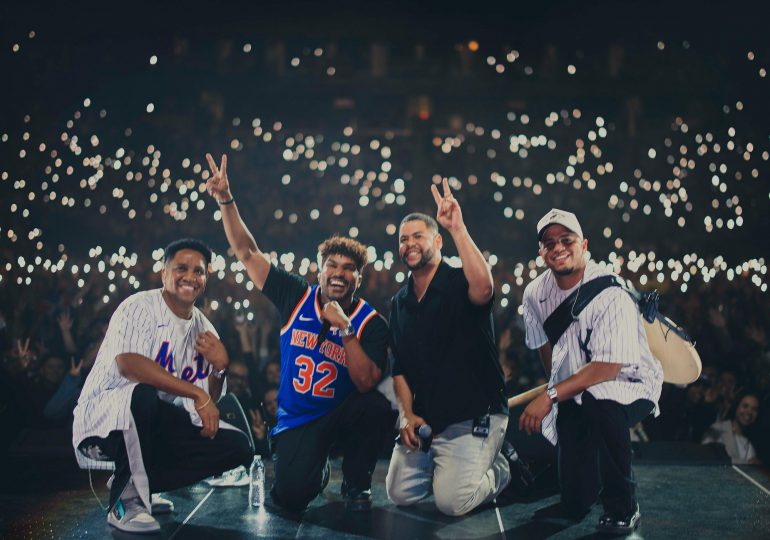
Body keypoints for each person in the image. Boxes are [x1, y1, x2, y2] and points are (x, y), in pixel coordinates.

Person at [205, 153, 393, 512]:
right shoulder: (296, 295)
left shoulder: (372, 322)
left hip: (341, 412)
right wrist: (226, 200)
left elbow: (368, 382)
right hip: (299, 419)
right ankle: (315, 469)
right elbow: (246, 252)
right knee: (291, 497)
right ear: (319, 272)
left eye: (349, 268)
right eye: (331, 266)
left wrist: (346, 331)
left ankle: (355, 483)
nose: (339, 273)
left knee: (376, 407)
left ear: (360, 277)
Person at [71, 239, 253, 534]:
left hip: (153, 429)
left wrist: (220, 368)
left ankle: (144, 484)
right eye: (182, 268)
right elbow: (128, 365)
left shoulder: (205, 330)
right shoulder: (138, 307)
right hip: (104, 421)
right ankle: (125, 501)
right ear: (164, 273)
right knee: (141, 394)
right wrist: (195, 392)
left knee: (238, 447)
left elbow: (205, 405)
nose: (190, 277)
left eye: (199, 271)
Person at [520, 209, 663, 535]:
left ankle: (624, 505)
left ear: (583, 244)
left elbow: (608, 367)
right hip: (576, 388)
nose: (558, 248)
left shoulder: (612, 293)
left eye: (566, 240)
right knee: (574, 501)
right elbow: (545, 345)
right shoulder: (534, 294)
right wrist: (557, 393)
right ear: (541, 252)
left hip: (629, 383)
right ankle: (591, 484)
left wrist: (551, 395)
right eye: (549, 242)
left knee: (602, 400)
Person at [385, 179, 511, 517]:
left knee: (452, 502)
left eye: (418, 236)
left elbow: (484, 289)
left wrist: (458, 228)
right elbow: (398, 369)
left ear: (437, 241)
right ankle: (449, 468)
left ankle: (503, 466)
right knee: (399, 493)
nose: (409, 244)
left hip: (474, 414)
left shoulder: (460, 281)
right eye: (403, 239)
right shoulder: (399, 303)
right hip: (429, 421)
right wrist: (406, 415)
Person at [702, 392, 761, 464]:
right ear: (736, 407)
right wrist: (747, 463)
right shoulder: (719, 429)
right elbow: (706, 455)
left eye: (754, 409)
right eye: (745, 406)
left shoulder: (750, 444)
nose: (749, 411)